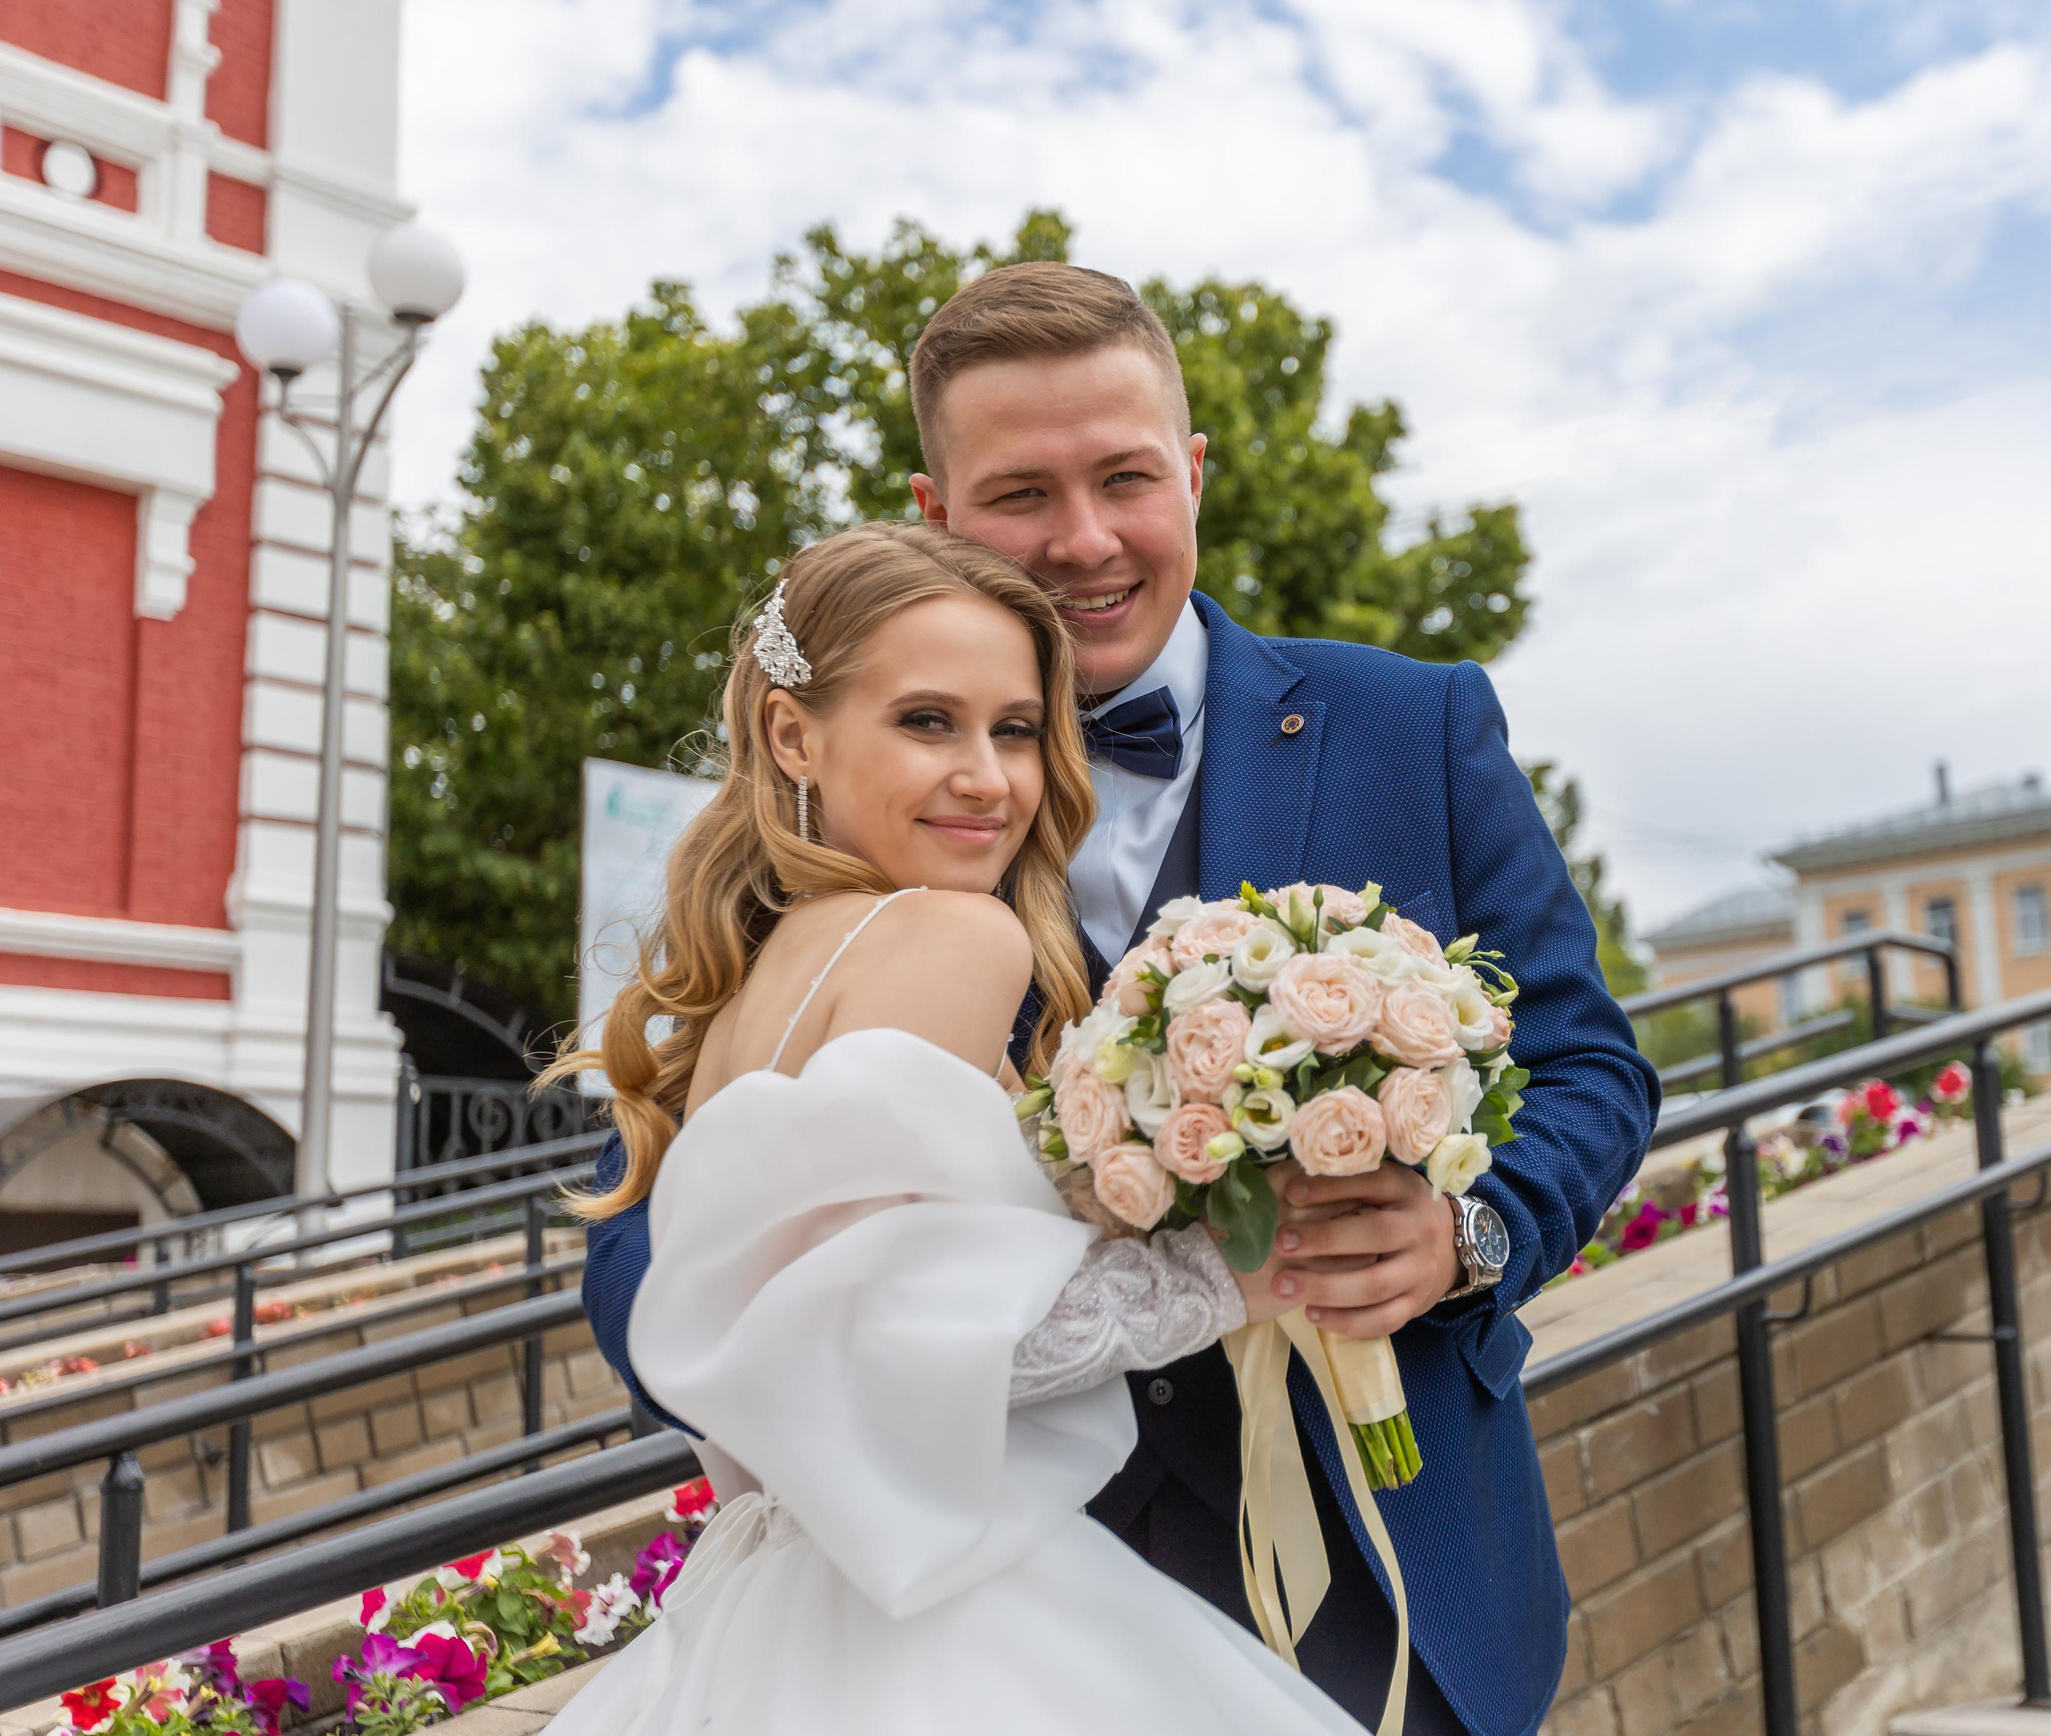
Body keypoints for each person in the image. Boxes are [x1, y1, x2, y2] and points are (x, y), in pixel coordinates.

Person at [581, 264, 1660, 1736]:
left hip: (1389, 1567)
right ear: (935, 505)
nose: (1084, 539)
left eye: (1126, 478)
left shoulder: (1412, 725)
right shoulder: (837, 835)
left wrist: (1466, 1234)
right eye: (1021, 492)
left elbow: (1588, 1065)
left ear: (1192, 472)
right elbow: (673, 1187)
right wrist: (745, 1375)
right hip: (984, 1596)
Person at [538, 523, 1366, 1733]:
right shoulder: (957, 935)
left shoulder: (761, 971)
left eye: (1016, 729)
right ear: (790, 733)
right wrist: (1238, 1268)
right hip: (924, 1619)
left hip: (772, 1593)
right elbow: (886, 1350)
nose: (987, 777)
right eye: (928, 721)